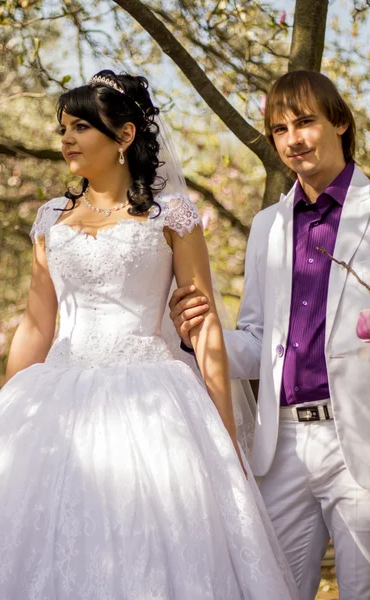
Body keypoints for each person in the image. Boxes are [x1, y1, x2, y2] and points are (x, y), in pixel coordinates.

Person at [0, 70, 298, 599]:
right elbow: (36, 323)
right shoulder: (50, 219)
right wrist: (9, 413)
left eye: (81, 126)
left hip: (154, 398)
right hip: (58, 393)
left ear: (124, 136)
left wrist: (224, 434)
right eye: (62, 130)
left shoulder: (174, 215)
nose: (67, 140)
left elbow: (204, 324)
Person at [169, 70, 370, 600]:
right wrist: (199, 337)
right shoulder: (268, 227)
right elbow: (258, 343)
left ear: (340, 123)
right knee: (267, 589)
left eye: (305, 122)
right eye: (279, 129)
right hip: (281, 445)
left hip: (361, 441)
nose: (293, 139)